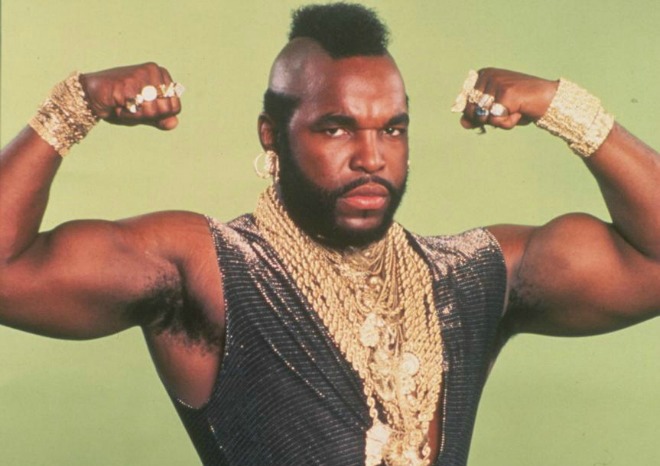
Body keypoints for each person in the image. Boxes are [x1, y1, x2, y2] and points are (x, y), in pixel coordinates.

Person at [1, 2, 658, 465]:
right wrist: (73, 106)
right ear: (273, 137)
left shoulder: (469, 276)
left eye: (392, 129)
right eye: (336, 128)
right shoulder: (211, 267)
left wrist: (565, 109)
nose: (371, 157)